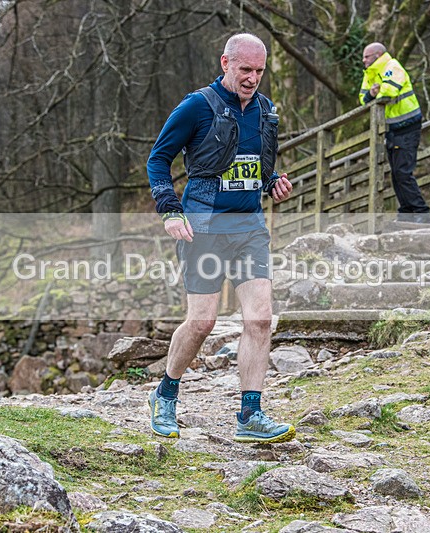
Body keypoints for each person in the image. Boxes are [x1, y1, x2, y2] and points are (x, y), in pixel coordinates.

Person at [146, 33, 295, 443]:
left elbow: (257, 166)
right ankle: (165, 394)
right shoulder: (197, 106)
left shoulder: (265, 111)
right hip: (204, 228)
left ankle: (250, 413)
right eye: (245, 69)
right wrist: (170, 210)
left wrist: (273, 182)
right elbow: (158, 160)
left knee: (260, 318)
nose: (252, 79)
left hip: (249, 228)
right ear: (225, 62)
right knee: (202, 322)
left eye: (259, 71)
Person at [360, 42, 430, 223]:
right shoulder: (369, 74)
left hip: (407, 125)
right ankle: (406, 212)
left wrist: (376, 91)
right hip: (391, 128)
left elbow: (390, 90)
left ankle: (421, 213)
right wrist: (372, 93)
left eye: (367, 56)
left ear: (377, 55)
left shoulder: (392, 66)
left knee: (403, 172)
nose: (363, 60)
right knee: (396, 174)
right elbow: (363, 98)